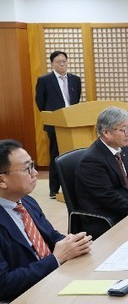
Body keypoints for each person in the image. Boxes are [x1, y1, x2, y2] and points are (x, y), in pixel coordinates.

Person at [0, 139, 92, 303]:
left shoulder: (26, 201)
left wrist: (73, 243)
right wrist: (56, 259)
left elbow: (50, 235)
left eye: (33, 165)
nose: (35, 173)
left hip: (53, 279)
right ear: (2, 181)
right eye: (27, 169)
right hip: (26, 299)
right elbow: (4, 284)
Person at [75, 107, 128, 238]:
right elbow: (108, 198)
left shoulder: (123, 149)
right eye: (123, 129)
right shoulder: (92, 160)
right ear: (106, 133)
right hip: (109, 217)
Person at [35, 50, 82, 199]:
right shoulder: (44, 80)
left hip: (73, 122)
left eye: (64, 61)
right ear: (52, 64)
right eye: (58, 62)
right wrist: (53, 117)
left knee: (73, 154)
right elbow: (40, 102)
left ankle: (73, 186)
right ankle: (54, 189)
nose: (62, 64)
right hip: (56, 124)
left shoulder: (75, 79)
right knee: (55, 155)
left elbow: (76, 99)